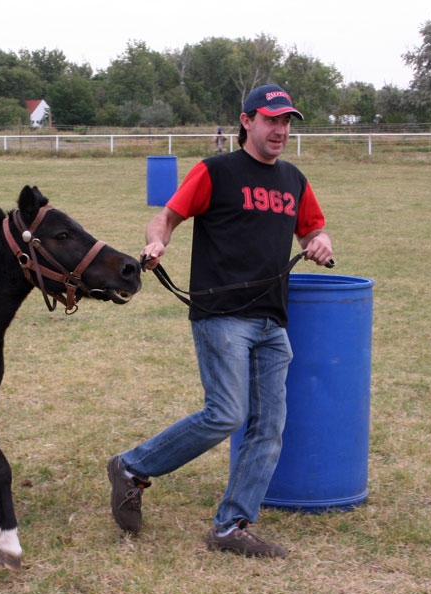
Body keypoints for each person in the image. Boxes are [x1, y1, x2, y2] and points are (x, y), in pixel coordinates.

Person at [107, 84, 334, 558]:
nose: (280, 129)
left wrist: (320, 241)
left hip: (273, 320)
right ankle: (132, 467)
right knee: (227, 413)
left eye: (287, 121)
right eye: (271, 120)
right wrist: (156, 243)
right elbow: (166, 217)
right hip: (223, 315)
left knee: (268, 425)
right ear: (247, 121)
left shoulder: (294, 180)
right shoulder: (215, 171)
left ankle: (231, 527)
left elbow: (313, 227)